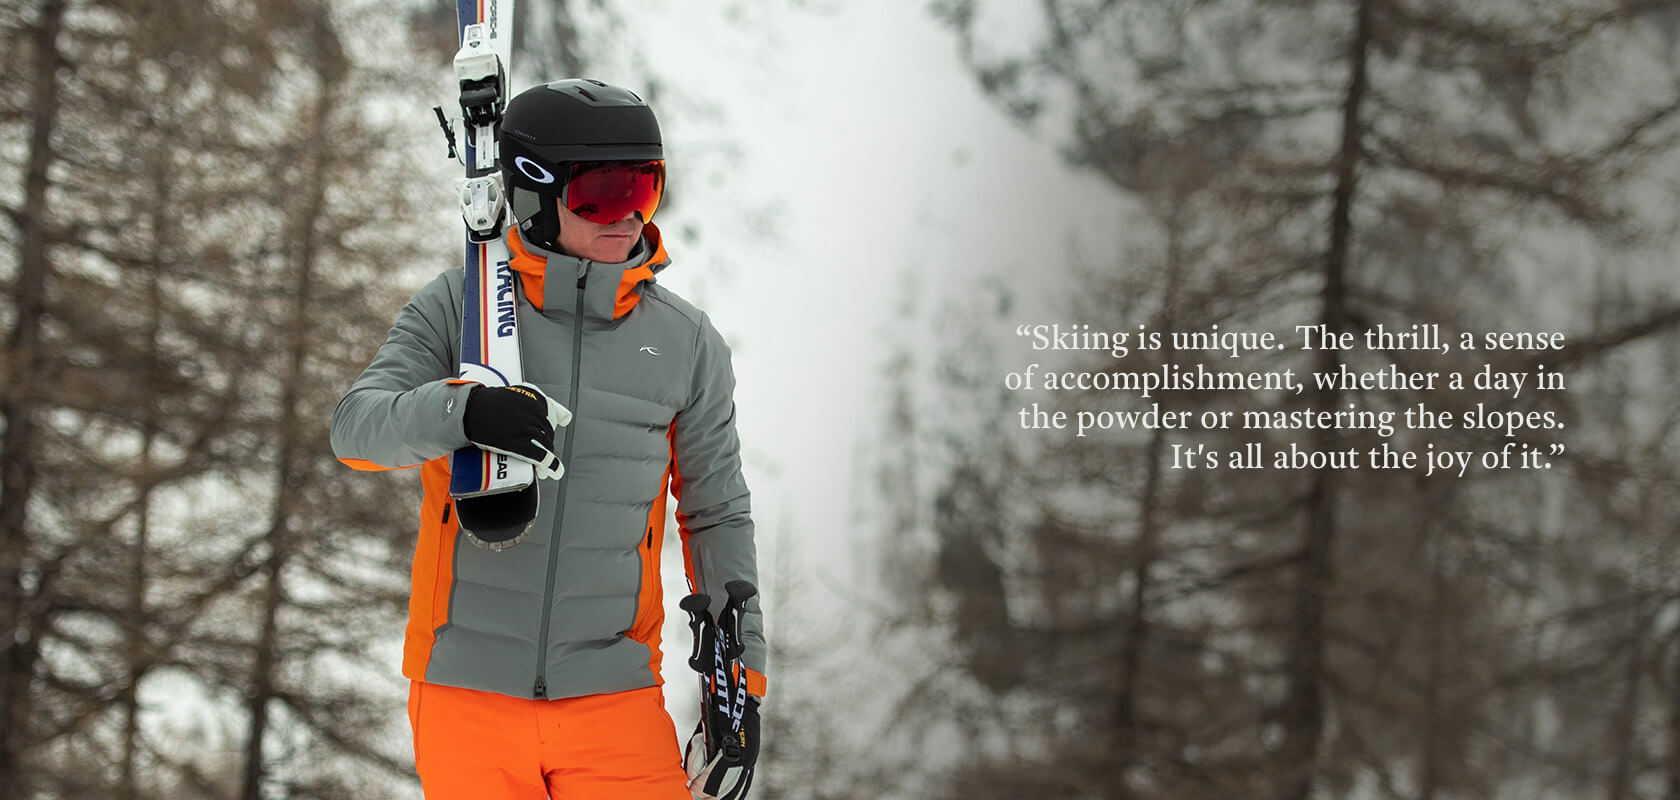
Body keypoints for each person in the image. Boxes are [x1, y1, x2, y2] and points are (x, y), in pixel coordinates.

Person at [330, 78, 765, 800]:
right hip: (466, 695)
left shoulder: (687, 344)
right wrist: (462, 414)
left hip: (614, 699)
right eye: (601, 193)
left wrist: (740, 677)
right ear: (534, 192)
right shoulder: (458, 307)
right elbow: (356, 428)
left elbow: (715, 513)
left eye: (644, 191)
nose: (627, 217)